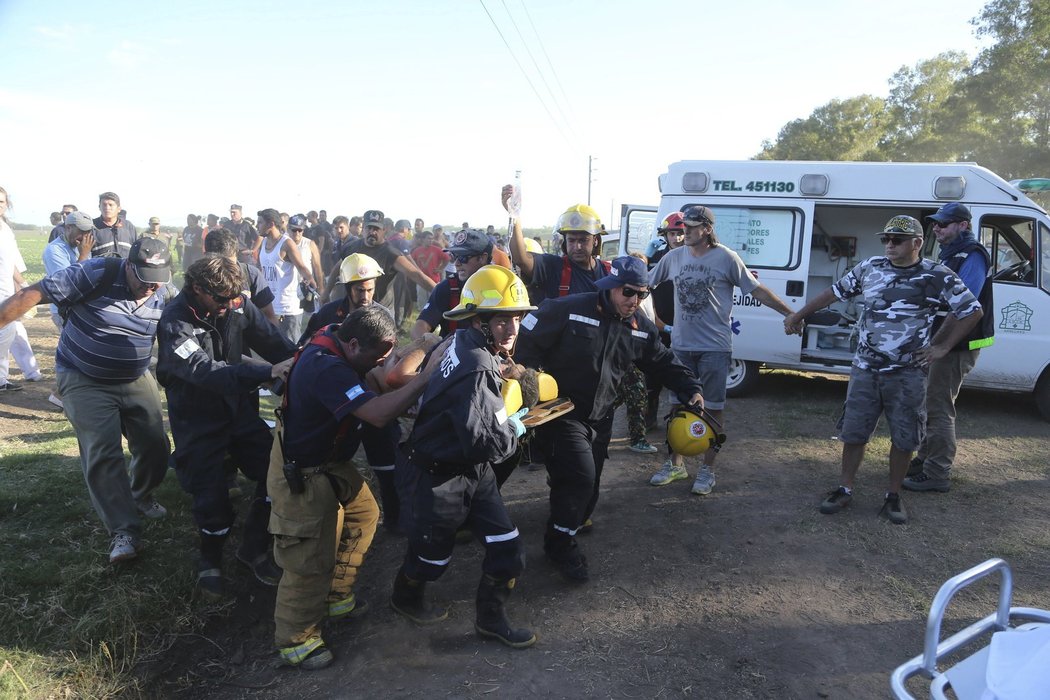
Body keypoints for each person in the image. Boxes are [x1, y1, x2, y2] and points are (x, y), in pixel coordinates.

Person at [267, 306, 444, 669]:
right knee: (308, 557)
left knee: (364, 514)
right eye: (378, 354)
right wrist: (425, 378)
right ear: (351, 343)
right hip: (303, 469)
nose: (382, 361)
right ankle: (296, 640)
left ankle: (336, 595)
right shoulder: (326, 368)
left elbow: (379, 378)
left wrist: (413, 358)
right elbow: (378, 414)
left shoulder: (340, 336)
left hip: (330, 461)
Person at [515, 256, 704, 583]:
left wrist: (690, 388)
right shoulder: (568, 309)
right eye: (629, 292)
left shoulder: (640, 328)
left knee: (588, 492)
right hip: (561, 413)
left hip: (600, 417)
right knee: (580, 478)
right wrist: (528, 377)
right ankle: (559, 544)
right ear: (611, 286)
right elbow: (526, 340)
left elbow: (662, 361)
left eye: (642, 294)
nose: (635, 301)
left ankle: (568, 518)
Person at [784, 215, 983, 525]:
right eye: (886, 239)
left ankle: (893, 496)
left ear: (917, 244)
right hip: (865, 369)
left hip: (907, 373)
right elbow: (834, 293)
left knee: (904, 438)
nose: (890, 245)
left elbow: (972, 310)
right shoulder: (870, 268)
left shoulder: (936, 274)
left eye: (897, 240)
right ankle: (845, 488)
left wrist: (941, 347)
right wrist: (798, 315)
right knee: (854, 432)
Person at [0, 237, 173, 562]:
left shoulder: (163, 289)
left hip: (135, 375)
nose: (151, 287)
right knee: (103, 451)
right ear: (128, 266)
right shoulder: (96, 273)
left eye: (157, 281)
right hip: (83, 376)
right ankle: (124, 532)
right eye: (144, 279)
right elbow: (31, 293)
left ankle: (140, 494)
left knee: (155, 445)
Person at [391, 265, 538, 648]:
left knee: (508, 550)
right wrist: (515, 427)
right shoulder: (476, 365)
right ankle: (404, 594)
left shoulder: (466, 343)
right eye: (502, 320)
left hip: (472, 472)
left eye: (517, 318)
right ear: (479, 319)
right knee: (431, 562)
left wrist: (502, 414)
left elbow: (479, 426)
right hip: (436, 478)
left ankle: (491, 619)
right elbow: (487, 443)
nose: (512, 329)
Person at [157, 256, 295, 598]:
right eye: (221, 299)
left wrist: (306, 359)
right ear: (197, 289)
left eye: (235, 298)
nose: (230, 305)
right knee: (211, 496)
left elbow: (276, 345)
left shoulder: (237, 304)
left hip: (239, 411)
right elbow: (206, 372)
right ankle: (210, 559)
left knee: (275, 472)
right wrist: (267, 372)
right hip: (197, 418)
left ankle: (254, 547)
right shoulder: (175, 323)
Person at [647, 205, 795, 495]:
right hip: (681, 346)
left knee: (713, 410)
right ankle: (675, 464)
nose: (683, 232)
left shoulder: (727, 258)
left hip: (714, 347)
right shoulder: (673, 257)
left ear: (707, 229)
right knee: (676, 407)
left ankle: (707, 469)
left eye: (690, 227)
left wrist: (789, 313)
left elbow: (757, 290)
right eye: (682, 227)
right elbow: (645, 283)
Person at [903, 203, 994, 493]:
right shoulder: (952, 254)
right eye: (936, 224)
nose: (937, 228)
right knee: (932, 403)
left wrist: (940, 345)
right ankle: (925, 458)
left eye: (944, 223)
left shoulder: (973, 255)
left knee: (939, 408)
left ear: (963, 225)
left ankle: (937, 473)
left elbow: (964, 307)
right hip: (945, 344)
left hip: (955, 346)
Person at [503, 187, 612, 301]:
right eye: (571, 240)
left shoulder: (609, 273)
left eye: (583, 240)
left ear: (595, 240)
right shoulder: (553, 268)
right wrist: (514, 214)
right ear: (565, 240)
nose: (577, 247)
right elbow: (521, 259)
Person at [322, 210, 436, 312]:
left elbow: (416, 275)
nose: (372, 232)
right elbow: (338, 269)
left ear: (383, 230)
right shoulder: (351, 247)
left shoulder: (391, 253)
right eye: (369, 228)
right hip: (355, 310)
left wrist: (441, 291)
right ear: (363, 229)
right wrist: (326, 292)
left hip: (381, 311)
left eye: (376, 229)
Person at [411, 229, 493, 340]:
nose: (457, 263)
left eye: (463, 257)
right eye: (455, 256)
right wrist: (432, 348)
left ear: (482, 258)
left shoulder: (501, 286)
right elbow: (420, 326)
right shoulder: (447, 287)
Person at [257, 208, 317, 344]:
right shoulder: (264, 242)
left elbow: (302, 267)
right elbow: (261, 270)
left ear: (271, 224)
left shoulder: (287, 243)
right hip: (269, 305)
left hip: (287, 308)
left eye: (260, 222)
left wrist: (311, 281)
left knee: (291, 351)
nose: (257, 226)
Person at [203, 228, 278, 324]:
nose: (225, 269)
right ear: (206, 256)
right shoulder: (198, 280)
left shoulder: (251, 275)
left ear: (236, 253)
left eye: (229, 263)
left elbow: (269, 317)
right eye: (218, 264)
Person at [0, 186, 26, 392]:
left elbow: (12, 264)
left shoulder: (6, 230)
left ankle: (1, 380)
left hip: (6, 291)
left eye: (1, 201)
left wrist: (23, 286)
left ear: (7, 204)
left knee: (6, 335)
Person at [288, 214, 324, 327]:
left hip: (306, 288)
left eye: (300, 230)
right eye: (294, 230)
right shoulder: (282, 243)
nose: (297, 233)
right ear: (288, 229)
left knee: (309, 321)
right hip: (288, 289)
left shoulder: (309, 244)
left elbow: (317, 267)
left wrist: (321, 288)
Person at [409, 229, 449, 312]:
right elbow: (411, 261)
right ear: (423, 239)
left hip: (434, 280)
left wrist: (440, 268)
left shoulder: (436, 249)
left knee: (435, 303)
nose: (431, 240)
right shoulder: (417, 250)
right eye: (428, 238)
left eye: (432, 239)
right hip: (421, 281)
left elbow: (447, 258)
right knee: (422, 304)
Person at [91, 191, 137, 258]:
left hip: (124, 267)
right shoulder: (92, 227)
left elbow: (136, 251)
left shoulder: (129, 227)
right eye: (104, 204)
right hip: (101, 268)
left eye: (111, 205)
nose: (107, 208)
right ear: (99, 207)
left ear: (119, 209)